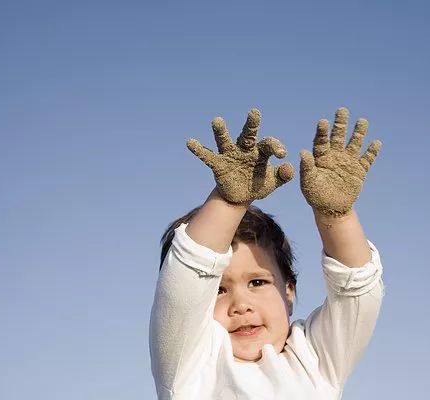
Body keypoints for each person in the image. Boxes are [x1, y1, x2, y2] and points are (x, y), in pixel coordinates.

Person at [150, 107, 385, 399]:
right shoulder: (191, 365)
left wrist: (337, 216)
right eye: (219, 289)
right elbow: (186, 277)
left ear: (289, 292)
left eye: (257, 282)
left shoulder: (314, 357)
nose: (240, 305)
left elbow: (357, 291)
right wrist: (228, 203)